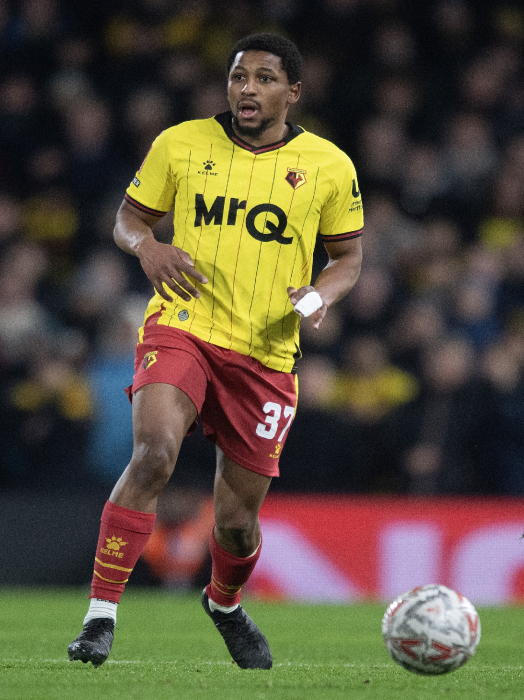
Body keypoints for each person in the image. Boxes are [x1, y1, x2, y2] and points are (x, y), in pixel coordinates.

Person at [67, 32, 363, 670]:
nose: (246, 89)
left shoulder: (330, 165)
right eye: (237, 77)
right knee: (154, 453)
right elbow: (129, 218)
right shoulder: (181, 142)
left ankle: (224, 604)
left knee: (235, 524)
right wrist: (145, 246)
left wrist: (319, 298)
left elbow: (350, 258)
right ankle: (99, 617)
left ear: (293, 92)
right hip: (184, 323)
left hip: (265, 355)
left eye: (262, 78)